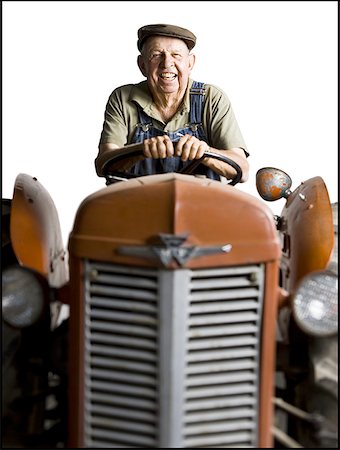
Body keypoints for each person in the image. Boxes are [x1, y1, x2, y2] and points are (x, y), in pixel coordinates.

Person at [95, 23, 249, 183]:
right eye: (156, 55)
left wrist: (205, 152)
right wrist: (140, 149)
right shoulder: (123, 98)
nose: (167, 63)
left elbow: (243, 170)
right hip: (138, 204)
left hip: (201, 204)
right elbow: (102, 164)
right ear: (142, 65)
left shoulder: (211, 98)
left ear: (190, 63)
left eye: (176, 55)